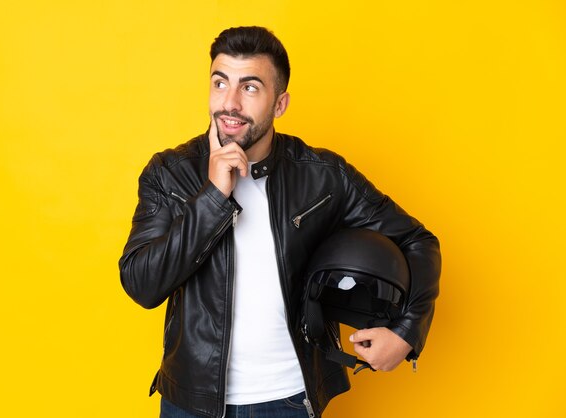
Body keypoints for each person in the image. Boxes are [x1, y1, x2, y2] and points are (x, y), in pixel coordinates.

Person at [119, 26, 441, 418]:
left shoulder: (323, 175)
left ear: (280, 103)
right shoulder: (169, 173)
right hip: (192, 402)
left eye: (250, 88)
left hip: (289, 398)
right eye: (220, 83)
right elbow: (142, 284)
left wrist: (406, 333)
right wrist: (212, 197)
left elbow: (417, 240)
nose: (230, 103)